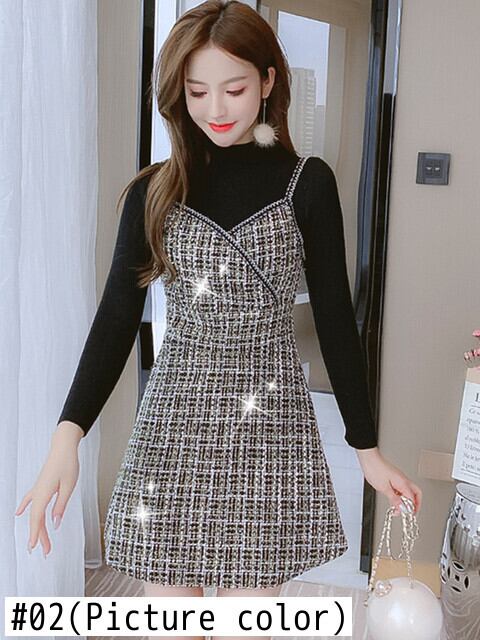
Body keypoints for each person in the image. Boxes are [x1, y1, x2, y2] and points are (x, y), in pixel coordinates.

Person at [16, 1, 422, 638]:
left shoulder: (308, 183)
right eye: (197, 91)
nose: (216, 109)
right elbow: (116, 317)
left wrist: (365, 448)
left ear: (267, 81)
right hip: (174, 425)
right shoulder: (156, 190)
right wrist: (66, 439)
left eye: (234, 88)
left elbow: (338, 321)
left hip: (269, 428)